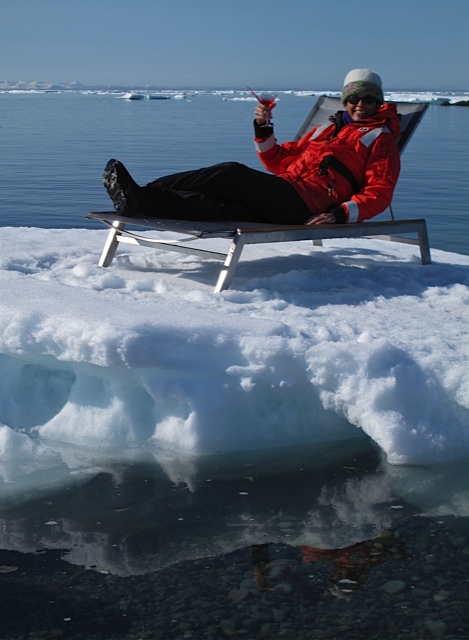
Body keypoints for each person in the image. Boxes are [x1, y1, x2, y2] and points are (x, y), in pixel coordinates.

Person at [103, 69, 401, 226]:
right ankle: (143, 203)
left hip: (307, 204)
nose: (360, 105)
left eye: (368, 100)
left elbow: (380, 192)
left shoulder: (380, 138)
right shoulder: (325, 129)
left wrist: (339, 215)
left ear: (379, 102)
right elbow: (277, 161)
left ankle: (143, 191)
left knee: (229, 173)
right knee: (211, 205)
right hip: (283, 194)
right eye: (353, 99)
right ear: (345, 100)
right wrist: (264, 127)